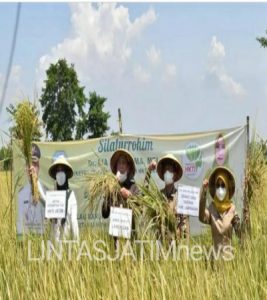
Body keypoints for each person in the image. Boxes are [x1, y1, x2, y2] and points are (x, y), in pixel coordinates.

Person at [199, 166, 241, 258]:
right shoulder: (212, 208)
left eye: (223, 185)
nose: (220, 189)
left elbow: (241, 234)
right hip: (215, 261)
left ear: (227, 188)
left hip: (229, 260)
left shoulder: (232, 210)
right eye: (218, 186)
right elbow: (201, 216)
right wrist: (203, 193)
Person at [148, 154, 189, 243]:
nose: (167, 172)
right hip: (161, 245)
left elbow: (185, 226)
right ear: (163, 174)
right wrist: (148, 172)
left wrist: (185, 250)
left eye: (170, 170)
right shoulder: (158, 196)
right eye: (165, 170)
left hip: (177, 245)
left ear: (175, 174)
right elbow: (144, 197)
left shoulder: (181, 196)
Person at [101, 149, 139, 247]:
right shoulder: (111, 187)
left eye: (124, 163)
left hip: (130, 238)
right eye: (119, 163)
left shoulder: (133, 186)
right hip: (115, 239)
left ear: (128, 167)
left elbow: (140, 209)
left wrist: (130, 196)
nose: (121, 165)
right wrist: (109, 191)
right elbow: (105, 214)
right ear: (116, 167)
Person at [17, 143, 47, 241]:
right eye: (29, 164)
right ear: (26, 167)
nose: (31, 168)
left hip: (43, 239)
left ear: (38, 167)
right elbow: (20, 221)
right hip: (27, 240)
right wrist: (20, 243)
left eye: (34, 164)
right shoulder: (21, 194)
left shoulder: (46, 191)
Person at [48, 155, 79, 242]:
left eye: (62, 170)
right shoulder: (52, 196)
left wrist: (76, 243)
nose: (60, 173)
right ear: (55, 175)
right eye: (58, 170)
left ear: (66, 174)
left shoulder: (71, 195)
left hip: (66, 243)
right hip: (54, 242)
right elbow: (50, 222)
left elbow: (74, 221)